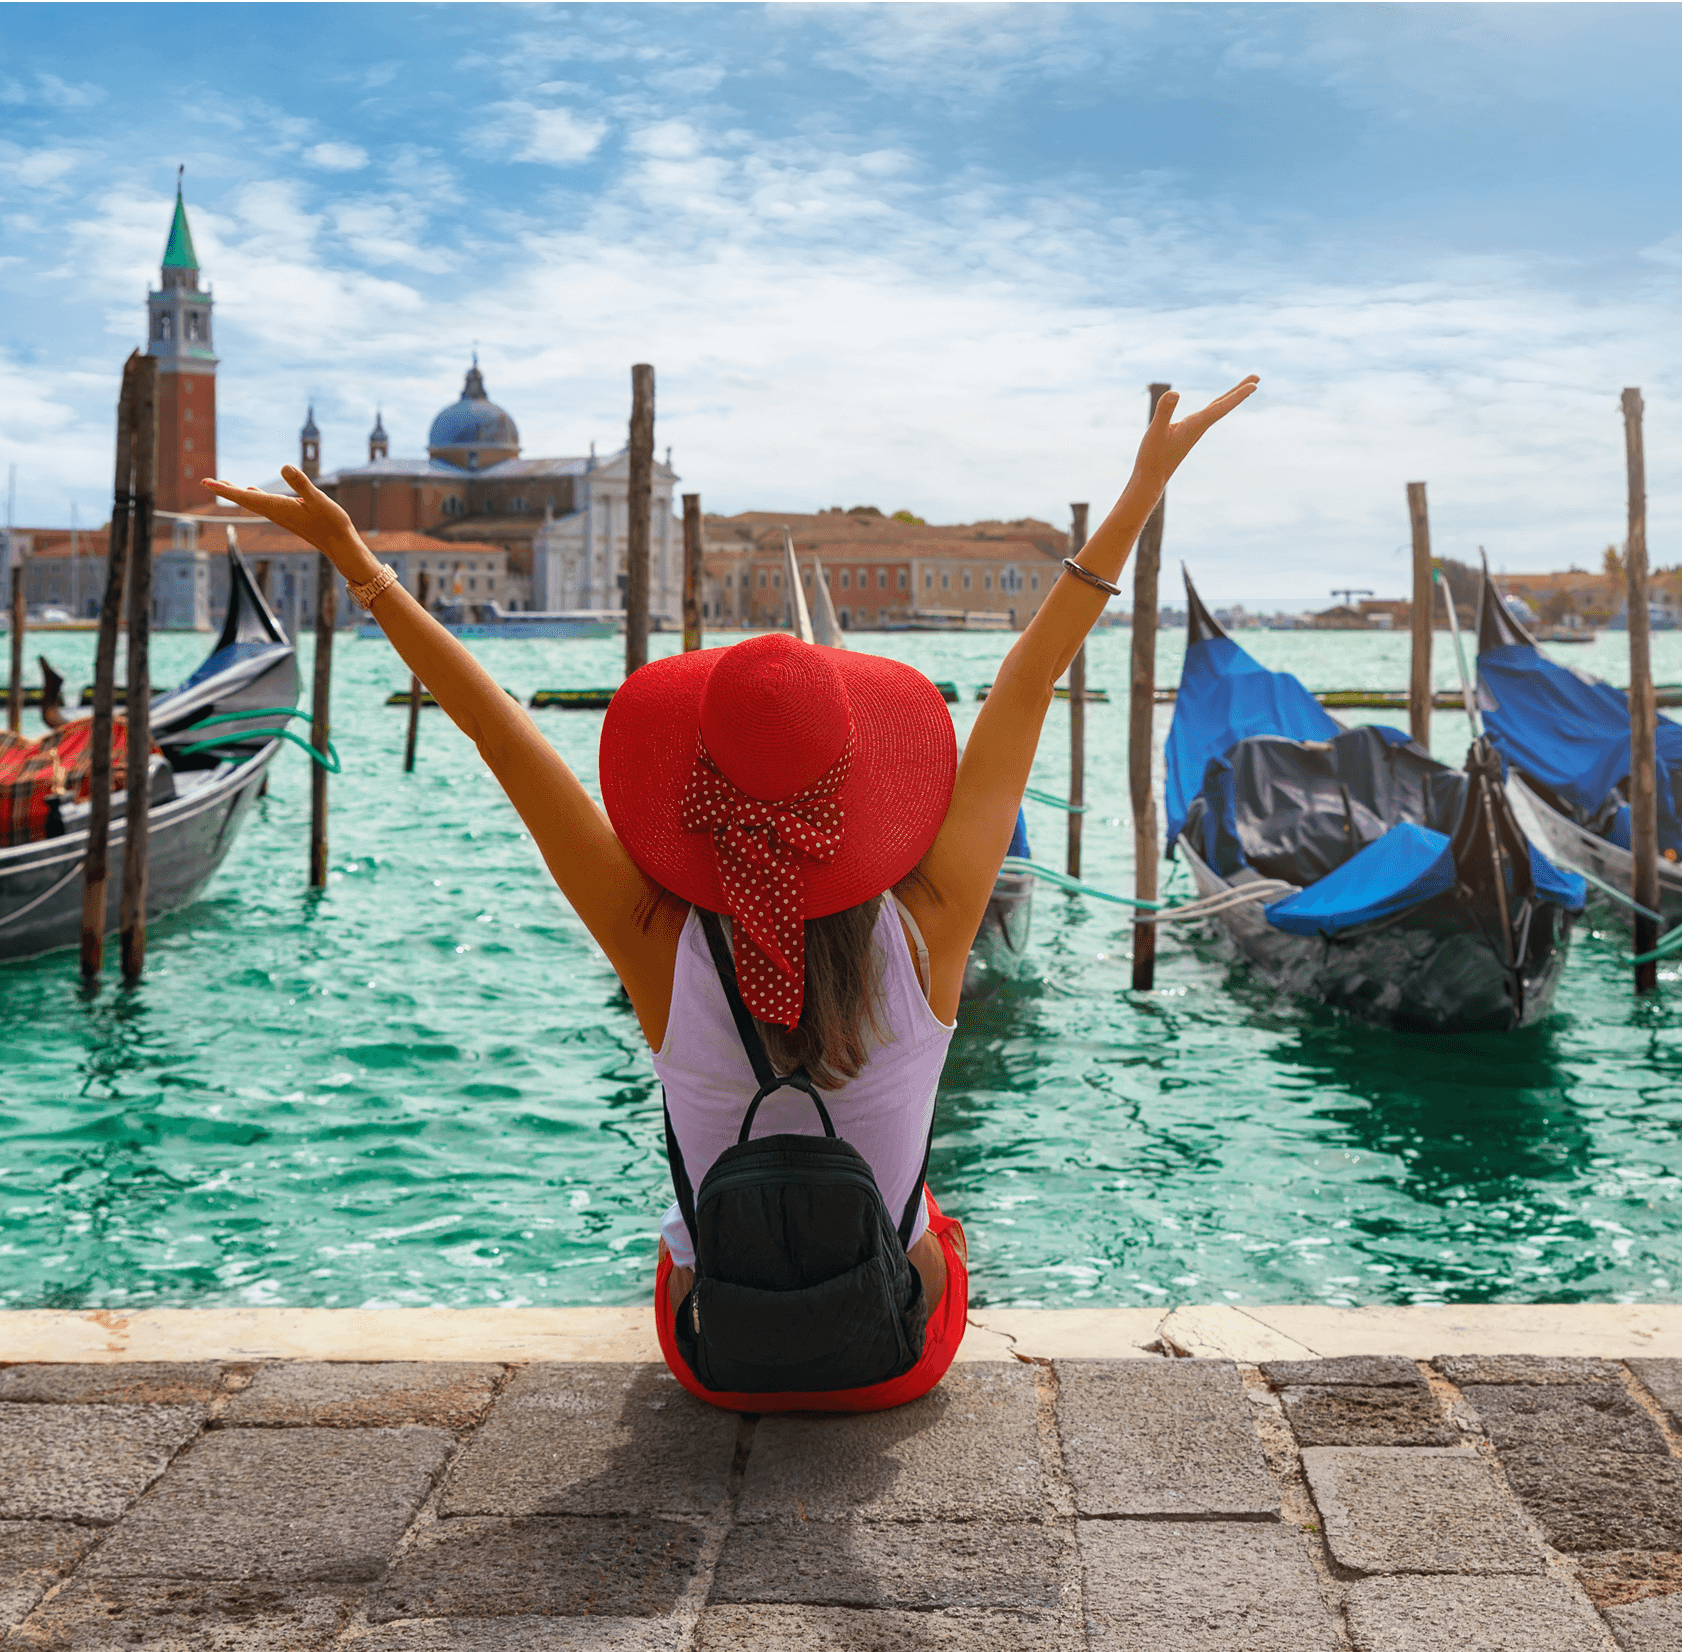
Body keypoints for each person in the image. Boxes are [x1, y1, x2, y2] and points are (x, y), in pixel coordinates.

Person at [204, 373, 1257, 1411]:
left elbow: (497, 732)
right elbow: (1031, 679)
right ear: (858, 797)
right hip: (891, 1362)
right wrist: (1140, 487)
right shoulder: (933, 926)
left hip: (715, 1360)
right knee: (929, 1210)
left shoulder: (653, 938)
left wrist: (357, 561)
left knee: (689, 1222)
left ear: (699, 787)